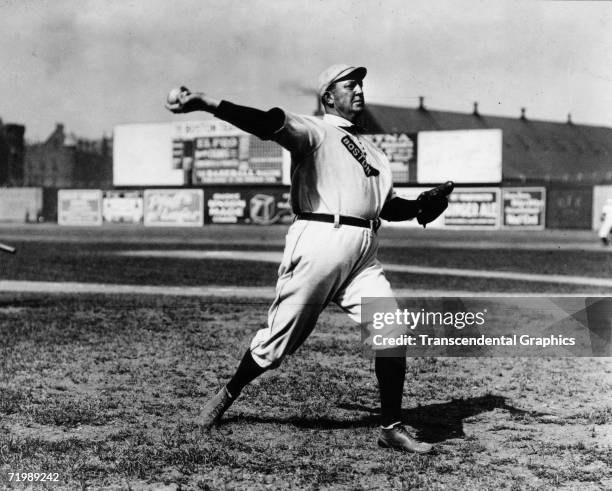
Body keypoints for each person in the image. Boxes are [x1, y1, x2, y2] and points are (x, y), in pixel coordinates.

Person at [166, 64, 445, 453]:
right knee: (276, 344)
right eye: (350, 84)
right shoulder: (315, 130)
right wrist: (206, 103)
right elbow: (267, 122)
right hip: (319, 239)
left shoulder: (376, 153)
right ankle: (228, 393)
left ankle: (391, 427)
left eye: (361, 84)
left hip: (364, 248)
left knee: (391, 330)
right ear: (328, 96)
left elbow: (386, 205)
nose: (359, 90)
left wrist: (419, 207)